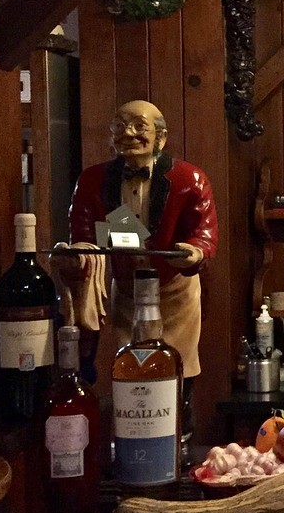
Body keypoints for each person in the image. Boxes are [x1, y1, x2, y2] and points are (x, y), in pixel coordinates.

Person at [56, 100, 218, 455]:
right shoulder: (93, 180)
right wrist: (78, 254)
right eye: (120, 126)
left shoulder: (189, 178)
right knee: (128, 363)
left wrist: (195, 251)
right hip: (127, 289)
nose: (128, 133)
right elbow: (83, 231)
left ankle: (179, 440)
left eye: (139, 126)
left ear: (161, 137)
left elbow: (203, 230)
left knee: (180, 363)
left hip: (175, 289)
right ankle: (131, 439)